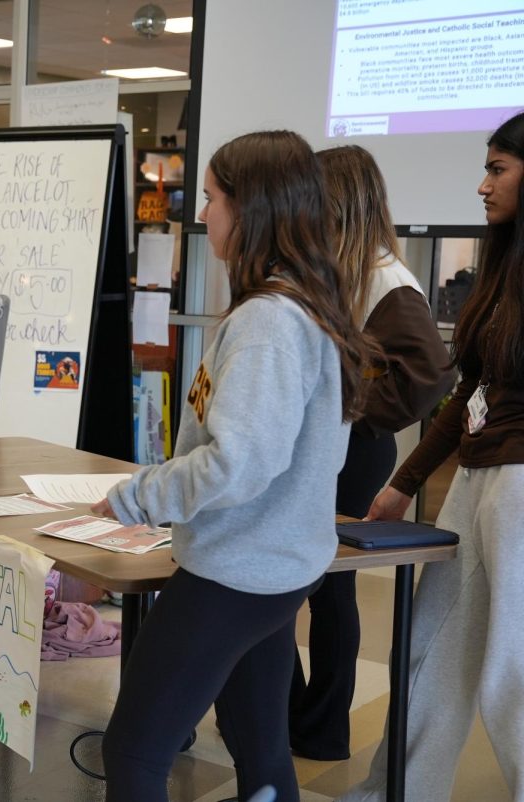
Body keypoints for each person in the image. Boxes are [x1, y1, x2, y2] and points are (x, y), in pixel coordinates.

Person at [91, 130, 371, 802]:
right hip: (274, 568)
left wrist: (137, 497)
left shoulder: (270, 322)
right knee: (259, 748)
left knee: (133, 751)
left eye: (212, 198)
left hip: (235, 573)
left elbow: (238, 464)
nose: (202, 214)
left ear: (253, 209)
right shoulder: (305, 306)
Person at [340, 110, 524, 802]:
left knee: (512, 674)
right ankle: (394, 792)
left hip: (520, 489)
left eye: (498, 168)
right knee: (430, 653)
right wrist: (403, 483)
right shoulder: (501, 270)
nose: (482, 185)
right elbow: (467, 390)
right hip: (481, 480)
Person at [288, 146, 453, 761]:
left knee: (325, 587)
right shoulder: (345, 267)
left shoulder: (386, 278)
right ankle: (302, 720)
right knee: (316, 585)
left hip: (353, 452)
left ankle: (316, 727)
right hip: (337, 446)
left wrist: (349, 409)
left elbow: (430, 375)